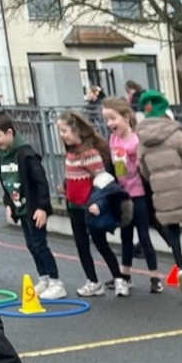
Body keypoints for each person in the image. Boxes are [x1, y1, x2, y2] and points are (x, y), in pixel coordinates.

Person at [135, 91, 182, 290]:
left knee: (173, 227)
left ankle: (180, 267)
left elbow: (143, 169)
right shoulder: (177, 134)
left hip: (161, 190)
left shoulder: (143, 141)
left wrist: (155, 181)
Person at [0, 111, 67, 301]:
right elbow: (6, 184)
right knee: (31, 244)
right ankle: (44, 277)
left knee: (40, 244)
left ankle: (56, 281)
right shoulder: (1, 158)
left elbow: (40, 182)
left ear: (9, 132)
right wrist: (9, 204)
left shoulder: (25, 154)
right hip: (20, 207)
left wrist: (42, 207)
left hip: (33, 207)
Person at [57, 110, 124, 297]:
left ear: (76, 130)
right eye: (60, 131)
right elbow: (73, 176)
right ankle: (93, 281)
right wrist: (65, 187)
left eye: (64, 131)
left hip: (89, 208)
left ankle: (119, 278)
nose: (62, 135)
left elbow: (102, 181)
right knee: (82, 246)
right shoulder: (70, 153)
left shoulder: (90, 154)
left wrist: (99, 204)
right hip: (74, 207)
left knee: (101, 244)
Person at [101, 97, 163, 294]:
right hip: (122, 195)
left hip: (138, 195)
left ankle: (155, 277)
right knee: (125, 236)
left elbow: (144, 168)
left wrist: (134, 162)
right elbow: (113, 166)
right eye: (106, 119)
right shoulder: (113, 139)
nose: (109, 123)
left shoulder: (136, 140)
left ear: (126, 117)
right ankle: (125, 276)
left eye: (113, 118)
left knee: (143, 235)